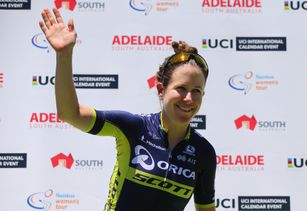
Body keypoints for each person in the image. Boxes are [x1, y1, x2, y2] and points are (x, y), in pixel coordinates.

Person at [39, 8, 217, 211]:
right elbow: (70, 114)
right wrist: (64, 55)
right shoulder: (134, 128)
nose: (188, 98)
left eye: (196, 91)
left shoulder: (204, 152)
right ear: (161, 89)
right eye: (181, 88)